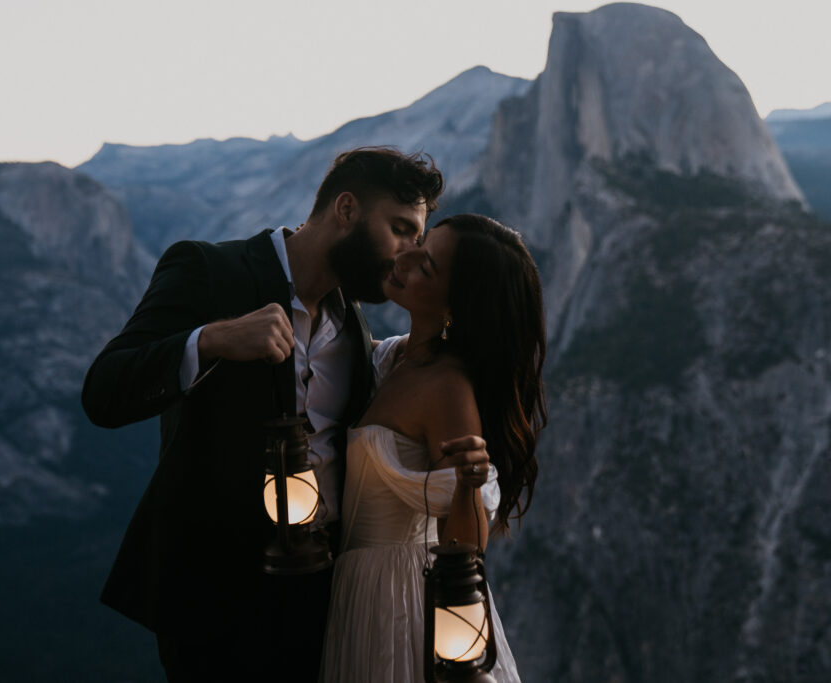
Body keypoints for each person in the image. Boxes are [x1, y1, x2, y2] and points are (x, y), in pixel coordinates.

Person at [81, 147, 495, 682]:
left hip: (324, 604)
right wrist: (211, 340)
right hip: (211, 606)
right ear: (345, 209)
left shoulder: (356, 330)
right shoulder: (210, 269)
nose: (404, 255)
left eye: (417, 240)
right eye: (398, 229)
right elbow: (103, 392)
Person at [320, 214, 547, 683]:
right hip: (358, 591)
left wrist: (468, 483)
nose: (404, 256)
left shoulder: (447, 388)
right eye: (419, 243)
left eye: (426, 266)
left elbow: (465, 547)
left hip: (405, 601)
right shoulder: (392, 356)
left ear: (455, 306)